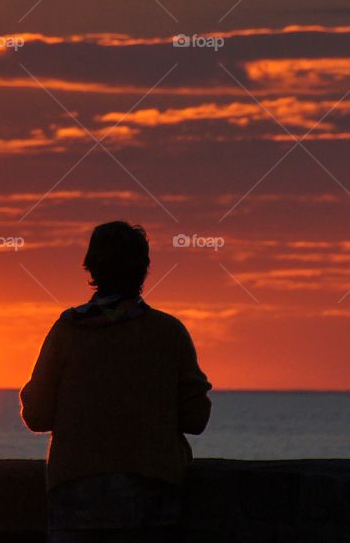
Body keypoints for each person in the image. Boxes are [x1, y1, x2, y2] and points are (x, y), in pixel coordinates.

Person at [19, 222, 212, 542]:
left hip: (76, 492)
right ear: (144, 269)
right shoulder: (168, 332)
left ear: (91, 268)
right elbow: (196, 417)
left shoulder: (68, 330)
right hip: (151, 493)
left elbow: (36, 415)